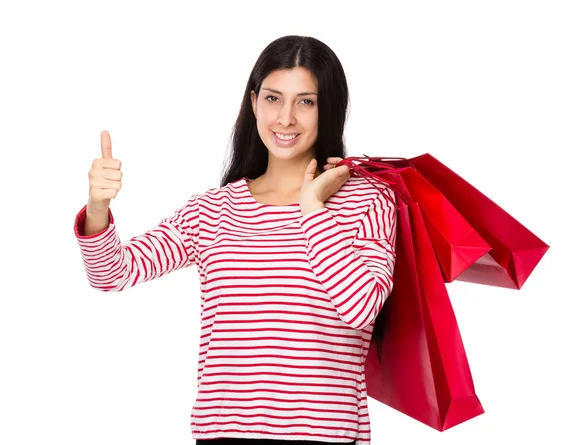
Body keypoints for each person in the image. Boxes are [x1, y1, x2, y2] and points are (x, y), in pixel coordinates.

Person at [74, 35, 397, 445]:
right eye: (274, 98)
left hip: (326, 436)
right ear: (253, 101)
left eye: (306, 101)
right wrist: (97, 205)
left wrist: (313, 207)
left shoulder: (368, 201)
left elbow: (362, 308)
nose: (285, 118)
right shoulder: (213, 210)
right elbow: (113, 273)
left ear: (329, 107)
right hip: (224, 435)